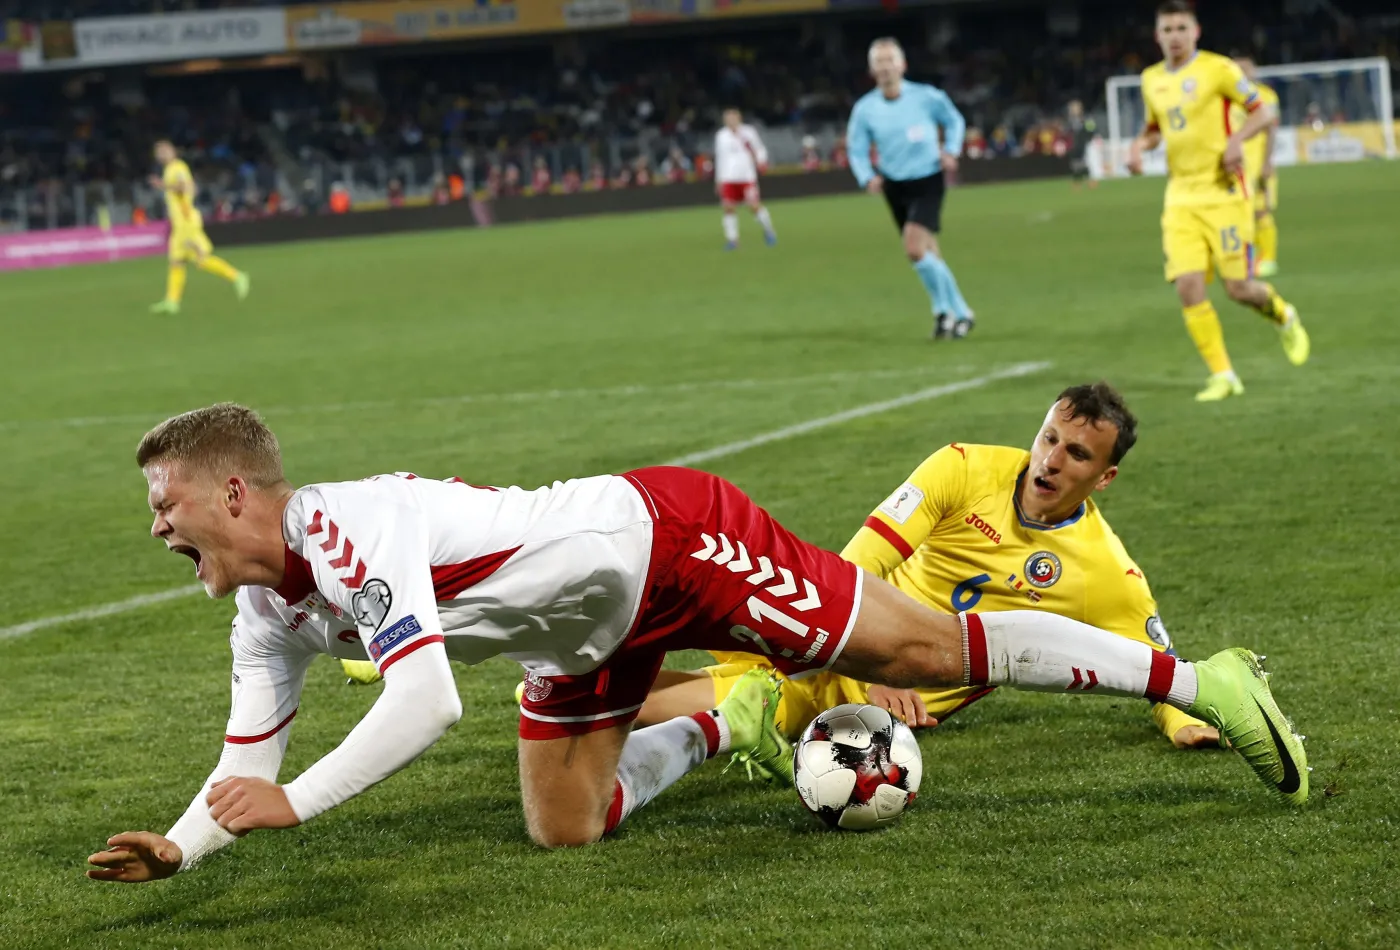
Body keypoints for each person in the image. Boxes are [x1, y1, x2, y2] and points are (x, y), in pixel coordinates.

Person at [87, 405, 1306, 882]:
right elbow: (249, 743)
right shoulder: (265, 608)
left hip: (671, 540)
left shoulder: (349, 529)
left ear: (236, 494)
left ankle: (1207, 677)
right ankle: (727, 718)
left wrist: (297, 803)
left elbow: (423, 706)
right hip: (587, 634)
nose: (156, 528)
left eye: (167, 506)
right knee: (562, 823)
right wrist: (187, 845)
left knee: (924, 652)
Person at [640, 383, 1218, 750]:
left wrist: (1181, 722)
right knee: (683, 573)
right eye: (1048, 438)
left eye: (1077, 454)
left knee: (642, 708)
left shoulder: (1105, 574)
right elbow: (856, 566)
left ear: (1104, 477)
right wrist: (876, 666)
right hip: (818, 624)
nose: (1049, 460)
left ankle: (561, 693)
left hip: (829, 699)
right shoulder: (961, 469)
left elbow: (1159, 668)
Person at [1126, 2, 1309, 402]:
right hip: (1180, 197)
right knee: (1188, 286)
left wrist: (1236, 141)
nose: (1174, 36)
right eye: (1167, 29)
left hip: (1224, 192)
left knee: (1239, 288)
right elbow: (1155, 128)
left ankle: (1283, 314)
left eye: (1181, 28)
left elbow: (1263, 111)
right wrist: (1140, 145)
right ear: (1157, 36)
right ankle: (1224, 376)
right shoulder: (1151, 79)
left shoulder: (1218, 69)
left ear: (1196, 31)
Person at [846, 38, 974, 340]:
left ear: (902, 65)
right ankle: (951, 314)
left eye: (890, 60)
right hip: (894, 184)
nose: (885, 66)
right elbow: (856, 147)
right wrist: (867, 176)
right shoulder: (865, 109)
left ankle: (955, 311)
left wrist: (952, 150)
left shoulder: (927, 97)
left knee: (914, 248)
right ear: (871, 69)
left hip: (928, 178)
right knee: (929, 253)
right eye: (879, 61)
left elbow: (954, 119)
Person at [147, 141, 249, 315]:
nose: (162, 154)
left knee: (201, 259)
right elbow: (190, 187)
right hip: (179, 223)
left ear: (173, 151)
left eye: (165, 150)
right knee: (176, 261)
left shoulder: (178, 166)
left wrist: (162, 186)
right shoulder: (170, 169)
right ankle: (172, 302)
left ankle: (237, 276)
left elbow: (183, 186)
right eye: (159, 152)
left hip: (186, 222)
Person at [1233, 57, 1281, 276]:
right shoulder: (1228, 98)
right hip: (1237, 165)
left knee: (1261, 211)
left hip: (1258, 162)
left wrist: (1267, 161)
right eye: (1239, 69)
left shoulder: (1267, 96)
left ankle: (1269, 259)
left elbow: (1271, 130)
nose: (1243, 73)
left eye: (1247, 69)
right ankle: (1248, 261)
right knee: (1241, 214)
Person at [713, 108, 776, 250]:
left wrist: (761, 161)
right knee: (728, 207)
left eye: (733, 118)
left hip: (746, 176)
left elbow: (759, 149)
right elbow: (719, 158)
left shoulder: (748, 132)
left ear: (739, 118)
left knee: (753, 206)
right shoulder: (721, 136)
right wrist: (718, 179)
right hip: (728, 177)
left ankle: (768, 230)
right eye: (727, 119)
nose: (730, 121)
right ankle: (733, 240)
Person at [1066, 101, 1098, 190]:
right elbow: (1067, 132)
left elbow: (1092, 129)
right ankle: (1077, 183)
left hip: (1083, 143)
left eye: (1075, 108)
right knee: (1075, 164)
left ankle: (1090, 181)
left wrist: (1090, 137)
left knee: (1084, 163)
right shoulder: (1070, 121)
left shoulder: (1086, 119)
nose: (1073, 110)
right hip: (1073, 145)